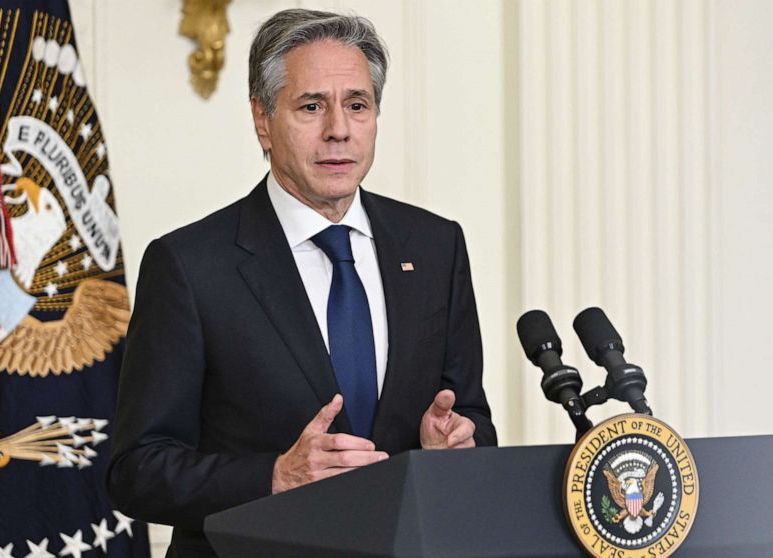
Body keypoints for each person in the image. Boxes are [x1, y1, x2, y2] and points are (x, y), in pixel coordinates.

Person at [107, 8, 497, 557]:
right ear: (262, 120)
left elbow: (473, 418)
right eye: (312, 106)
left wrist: (454, 443)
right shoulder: (189, 266)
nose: (339, 129)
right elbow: (137, 470)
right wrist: (274, 476)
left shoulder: (435, 246)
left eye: (357, 105)